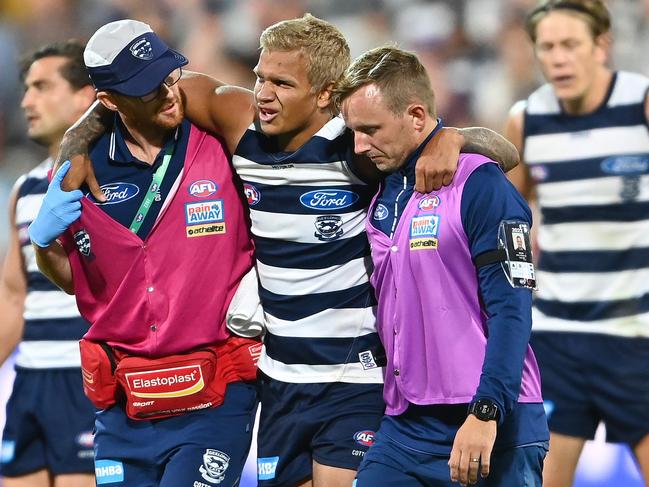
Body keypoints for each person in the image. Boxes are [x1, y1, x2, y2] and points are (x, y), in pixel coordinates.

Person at [57, 15, 521, 487]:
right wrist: (74, 142)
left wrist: (452, 136)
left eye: (281, 82)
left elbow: (504, 151)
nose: (262, 92)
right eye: (260, 76)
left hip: (354, 378)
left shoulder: (357, 149)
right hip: (279, 380)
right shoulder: (236, 121)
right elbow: (133, 93)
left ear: (325, 95)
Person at [27, 20, 260, 487]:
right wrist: (42, 245)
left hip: (214, 399)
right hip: (122, 409)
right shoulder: (83, 167)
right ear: (109, 100)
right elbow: (76, 278)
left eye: (167, 76)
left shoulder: (216, 139)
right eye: (146, 89)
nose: (168, 93)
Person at [336, 45, 549, 486]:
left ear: (416, 116)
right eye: (354, 131)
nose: (359, 145)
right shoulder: (381, 187)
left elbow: (512, 308)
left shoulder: (480, 184)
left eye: (371, 129)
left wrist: (486, 413)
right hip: (406, 425)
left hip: (492, 420)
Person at [503, 1, 649, 485]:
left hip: (636, 335)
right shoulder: (527, 120)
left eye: (570, 45)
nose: (558, 58)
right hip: (558, 336)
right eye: (547, 47)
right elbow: (511, 220)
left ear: (601, 46)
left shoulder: (642, 103)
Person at [0, 41, 97, 487]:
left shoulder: (113, 181)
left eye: (41, 87)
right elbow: (14, 294)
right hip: (29, 383)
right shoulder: (24, 188)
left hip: (86, 381)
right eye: (25, 88)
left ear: (85, 96)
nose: (26, 101)